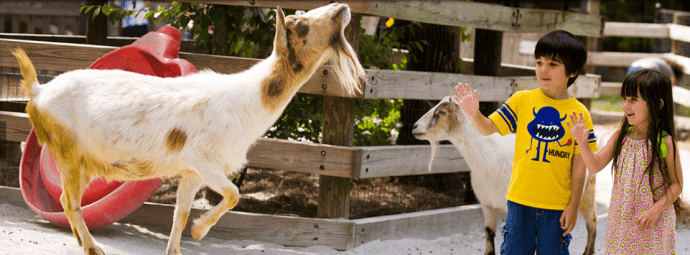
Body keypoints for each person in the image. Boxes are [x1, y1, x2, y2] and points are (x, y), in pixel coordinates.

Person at [453, 30, 597, 254]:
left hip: (557, 208)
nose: (543, 69)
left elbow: (580, 168)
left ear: (573, 71)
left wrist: (573, 205)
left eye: (553, 63)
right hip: (519, 204)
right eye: (539, 62)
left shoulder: (580, 114)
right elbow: (488, 128)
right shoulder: (522, 100)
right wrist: (474, 114)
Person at [567, 69, 684, 254]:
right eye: (625, 99)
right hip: (622, 223)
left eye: (633, 100)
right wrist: (582, 142)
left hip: (653, 224)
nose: (625, 106)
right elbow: (595, 165)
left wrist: (655, 210)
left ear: (657, 104)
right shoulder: (620, 136)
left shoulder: (665, 143)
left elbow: (677, 185)